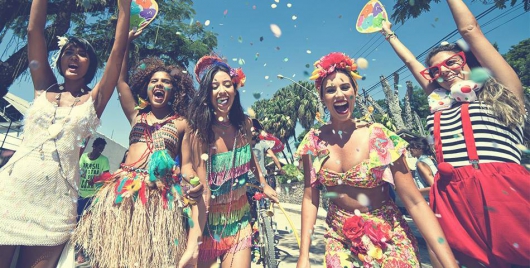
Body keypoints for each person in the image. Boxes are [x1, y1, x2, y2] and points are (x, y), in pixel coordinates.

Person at [382, 1, 530, 267]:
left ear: (468, 62)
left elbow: (470, 29)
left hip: (502, 189)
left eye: (452, 62)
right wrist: (388, 34)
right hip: (450, 194)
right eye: (435, 71)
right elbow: (409, 62)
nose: (445, 72)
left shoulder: (506, 92)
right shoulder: (440, 101)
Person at [295, 52, 457, 268]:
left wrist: (448, 261)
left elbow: (415, 201)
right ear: (323, 98)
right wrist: (303, 256)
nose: (339, 94)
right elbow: (309, 198)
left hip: (387, 233)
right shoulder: (313, 142)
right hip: (340, 236)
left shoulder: (378, 136)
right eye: (330, 90)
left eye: (345, 87)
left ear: (355, 91)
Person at [0, 0, 130, 266]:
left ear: (91, 65)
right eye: (69, 51)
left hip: (56, 203)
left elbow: (117, 54)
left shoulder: (95, 100)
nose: (74, 56)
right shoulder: (42, 87)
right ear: (59, 59)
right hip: (11, 192)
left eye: (82, 54)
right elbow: (34, 31)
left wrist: (124, 9)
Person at [73, 29, 203, 268]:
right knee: (115, 258)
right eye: (154, 81)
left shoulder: (183, 124)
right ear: (146, 88)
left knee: (152, 260)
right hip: (124, 193)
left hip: (160, 198)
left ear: (175, 90)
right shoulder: (136, 115)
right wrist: (127, 42)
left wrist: (195, 182)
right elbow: (121, 81)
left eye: (166, 82)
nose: (159, 84)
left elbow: (186, 165)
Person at [187, 55, 278, 268]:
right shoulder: (200, 130)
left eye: (227, 84)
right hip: (207, 225)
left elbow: (250, 156)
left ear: (235, 90)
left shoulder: (244, 124)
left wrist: (263, 184)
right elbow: (197, 177)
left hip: (239, 222)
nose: (222, 90)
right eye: (214, 86)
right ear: (207, 94)